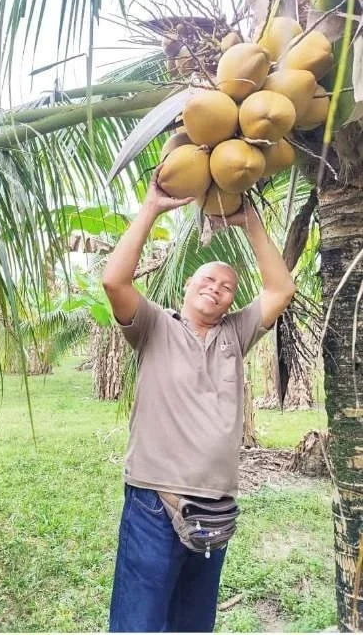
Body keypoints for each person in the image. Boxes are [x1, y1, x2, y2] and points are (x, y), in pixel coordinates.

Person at [102, 169, 295, 631]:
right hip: (156, 498)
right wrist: (150, 208)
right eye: (208, 279)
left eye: (227, 286)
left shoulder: (237, 334)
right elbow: (114, 282)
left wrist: (250, 221)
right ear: (187, 286)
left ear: (232, 301)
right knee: (139, 623)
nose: (217, 287)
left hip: (216, 506)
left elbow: (280, 290)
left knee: (193, 623)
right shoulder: (154, 327)